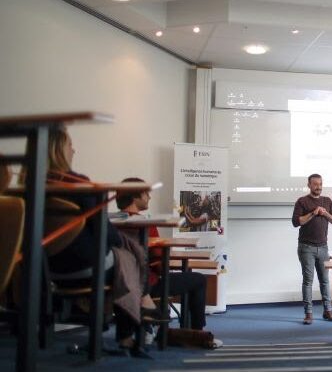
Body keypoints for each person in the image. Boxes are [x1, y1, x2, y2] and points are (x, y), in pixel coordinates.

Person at [42, 127, 159, 349]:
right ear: (59, 150)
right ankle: (129, 329)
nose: (74, 150)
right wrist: (119, 243)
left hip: (47, 268)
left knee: (123, 257)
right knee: (127, 258)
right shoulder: (79, 185)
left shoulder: (31, 186)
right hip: (85, 266)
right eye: (70, 145)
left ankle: (138, 308)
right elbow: (103, 230)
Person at [115, 178, 210, 335]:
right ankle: (195, 333)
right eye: (146, 193)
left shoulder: (110, 222)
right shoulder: (146, 224)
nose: (149, 197)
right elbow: (160, 265)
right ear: (135, 196)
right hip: (147, 286)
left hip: (117, 283)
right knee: (198, 280)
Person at [292, 173, 332, 324]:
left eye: (320, 184)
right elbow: (296, 222)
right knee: (308, 281)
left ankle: (328, 310)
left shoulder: (327, 201)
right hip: (306, 247)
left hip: (323, 247)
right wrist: (313, 213)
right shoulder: (302, 201)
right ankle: (308, 313)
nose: (318, 187)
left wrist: (325, 213)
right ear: (309, 185)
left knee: (325, 281)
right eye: (315, 184)